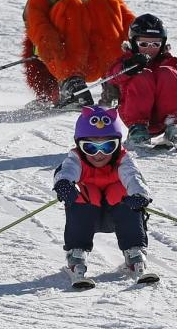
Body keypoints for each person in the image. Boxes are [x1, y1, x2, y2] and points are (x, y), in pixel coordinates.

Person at [53, 105, 153, 285]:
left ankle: (134, 252)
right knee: (83, 192)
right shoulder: (76, 158)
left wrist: (139, 195)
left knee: (120, 190)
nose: (99, 154)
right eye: (90, 147)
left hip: (117, 213)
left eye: (108, 146)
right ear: (79, 145)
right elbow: (67, 170)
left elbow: (133, 176)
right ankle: (77, 255)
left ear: (118, 144)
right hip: (87, 214)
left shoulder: (123, 159)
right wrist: (63, 184)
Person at [104, 14, 177, 147]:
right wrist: (127, 67)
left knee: (167, 71)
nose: (150, 48)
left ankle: (172, 125)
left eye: (155, 44)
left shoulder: (167, 60)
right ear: (133, 42)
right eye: (143, 44)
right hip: (135, 117)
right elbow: (112, 75)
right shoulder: (127, 61)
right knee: (142, 74)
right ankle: (138, 131)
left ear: (162, 44)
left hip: (164, 117)